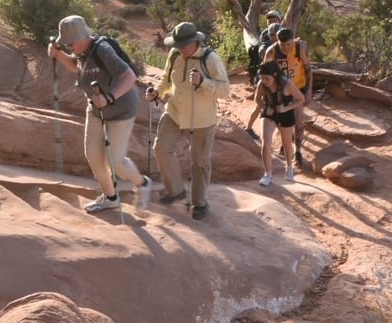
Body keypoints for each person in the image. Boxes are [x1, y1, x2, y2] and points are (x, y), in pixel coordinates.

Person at [47, 15, 151, 214]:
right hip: (95, 109)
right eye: (65, 43)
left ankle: (142, 183)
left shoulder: (102, 50)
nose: (69, 46)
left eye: (71, 42)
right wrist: (58, 54)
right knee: (94, 156)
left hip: (121, 110)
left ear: (83, 36)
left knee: (115, 162)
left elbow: (129, 76)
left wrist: (110, 97)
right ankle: (111, 197)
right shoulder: (81, 50)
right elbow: (77, 68)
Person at [145, 21, 230, 220]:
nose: (180, 49)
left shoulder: (210, 59)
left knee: (199, 162)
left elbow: (225, 90)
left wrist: (203, 82)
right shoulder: (175, 55)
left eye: (184, 45)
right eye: (178, 45)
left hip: (201, 120)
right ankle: (176, 190)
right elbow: (166, 80)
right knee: (161, 148)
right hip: (174, 112)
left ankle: (200, 203)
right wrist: (157, 92)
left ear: (195, 41)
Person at [246, 60, 306, 186]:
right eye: (262, 78)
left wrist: (286, 108)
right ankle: (268, 174)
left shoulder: (287, 84)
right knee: (266, 143)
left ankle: (289, 168)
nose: (264, 81)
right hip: (269, 112)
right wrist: (264, 107)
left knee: (287, 144)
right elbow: (257, 99)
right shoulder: (262, 85)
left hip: (286, 113)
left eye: (267, 78)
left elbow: (301, 99)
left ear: (275, 75)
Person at [266, 26, 312, 169]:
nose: (286, 48)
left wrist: (309, 91)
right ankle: (284, 143)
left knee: (299, 122)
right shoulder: (271, 52)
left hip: (298, 89)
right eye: (283, 45)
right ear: (277, 41)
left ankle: (298, 151)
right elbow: (265, 74)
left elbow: (309, 70)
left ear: (293, 41)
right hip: (281, 91)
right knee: (283, 121)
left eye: (289, 44)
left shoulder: (300, 49)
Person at [244, 8, 284, 140]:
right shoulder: (265, 37)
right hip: (265, 77)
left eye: (274, 20)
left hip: (277, 78)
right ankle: (250, 128)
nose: (271, 23)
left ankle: (283, 133)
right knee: (263, 104)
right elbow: (263, 52)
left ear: (279, 21)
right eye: (269, 20)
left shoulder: (283, 35)